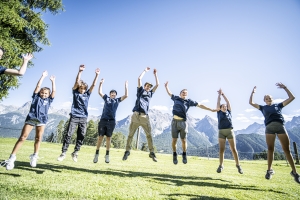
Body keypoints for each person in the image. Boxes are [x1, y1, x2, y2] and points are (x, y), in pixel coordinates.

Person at [1, 71, 56, 170]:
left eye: (46, 93)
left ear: (48, 94)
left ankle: (34, 156)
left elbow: (54, 92)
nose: (43, 94)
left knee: (38, 138)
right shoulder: (36, 97)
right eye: (42, 93)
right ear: (39, 93)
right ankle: (11, 158)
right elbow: (38, 86)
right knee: (22, 137)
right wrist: (42, 76)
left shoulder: (49, 100)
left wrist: (53, 81)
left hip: (42, 121)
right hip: (31, 119)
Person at [249, 83, 300, 184]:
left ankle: (295, 173)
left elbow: (292, 97)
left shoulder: (279, 105)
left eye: (270, 98)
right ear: (264, 100)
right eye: (266, 98)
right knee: (270, 149)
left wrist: (285, 88)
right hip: (269, 129)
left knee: (287, 150)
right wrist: (253, 92)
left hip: (281, 127)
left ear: (272, 99)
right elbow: (251, 102)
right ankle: (269, 170)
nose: (268, 99)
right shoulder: (263, 108)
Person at [164, 81, 217, 164]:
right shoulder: (176, 98)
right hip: (174, 122)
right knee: (174, 140)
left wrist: (211, 109)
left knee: (184, 140)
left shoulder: (189, 101)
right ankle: (174, 154)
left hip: (183, 123)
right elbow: (169, 93)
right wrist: (166, 86)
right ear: (180, 93)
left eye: (186, 93)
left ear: (187, 95)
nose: (184, 94)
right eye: (183, 92)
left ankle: (184, 154)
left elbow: (200, 105)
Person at [57, 65, 100, 162]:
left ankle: (75, 152)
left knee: (82, 135)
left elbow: (93, 85)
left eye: (84, 89)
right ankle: (63, 152)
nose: (82, 90)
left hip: (83, 117)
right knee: (69, 134)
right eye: (81, 88)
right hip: (74, 116)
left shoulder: (87, 94)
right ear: (78, 89)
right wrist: (80, 72)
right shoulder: (75, 93)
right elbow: (77, 82)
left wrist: (97, 75)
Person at [122, 67, 159, 162]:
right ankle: (127, 151)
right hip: (136, 116)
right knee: (130, 135)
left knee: (149, 135)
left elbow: (157, 84)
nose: (148, 87)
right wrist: (145, 71)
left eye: (149, 86)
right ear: (144, 86)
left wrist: (155, 75)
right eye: (146, 86)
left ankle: (152, 153)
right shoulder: (140, 91)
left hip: (144, 117)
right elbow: (139, 79)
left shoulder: (150, 94)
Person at [206, 89, 243, 174]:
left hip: (230, 131)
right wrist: (219, 95)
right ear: (221, 108)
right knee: (221, 149)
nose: (225, 107)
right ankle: (221, 165)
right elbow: (218, 102)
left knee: (233, 149)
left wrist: (223, 94)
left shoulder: (229, 111)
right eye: (223, 106)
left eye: (226, 106)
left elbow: (228, 101)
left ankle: (238, 165)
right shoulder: (219, 112)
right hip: (221, 132)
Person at [93, 79, 128, 164]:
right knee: (100, 137)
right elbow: (100, 92)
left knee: (109, 138)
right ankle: (96, 154)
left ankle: (107, 155)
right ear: (110, 94)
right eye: (112, 93)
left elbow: (126, 96)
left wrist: (126, 86)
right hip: (103, 120)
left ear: (115, 95)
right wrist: (100, 83)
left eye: (114, 93)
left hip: (111, 121)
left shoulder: (117, 100)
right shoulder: (106, 98)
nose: (113, 94)